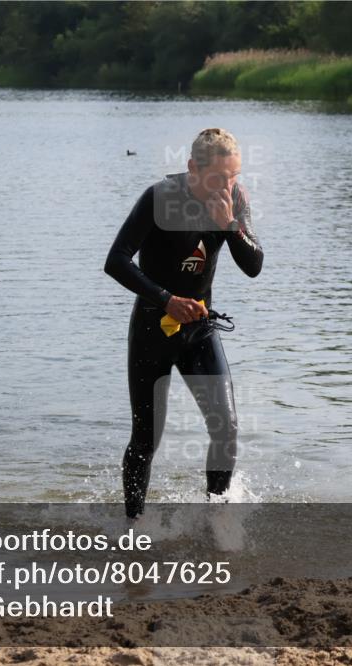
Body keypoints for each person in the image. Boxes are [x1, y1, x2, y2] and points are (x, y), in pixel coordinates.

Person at [104, 128, 264, 520]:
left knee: (225, 431)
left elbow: (254, 266)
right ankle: (133, 527)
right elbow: (117, 260)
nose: (228, 185)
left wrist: (230, 225)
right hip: (151, 330)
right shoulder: (161, 198)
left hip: (199, 331)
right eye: (219, 177)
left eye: (234, 176)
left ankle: (216, 518)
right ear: (193, 168)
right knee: (146, 440)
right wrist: (166, 300)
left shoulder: (234, 200)